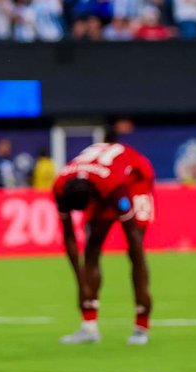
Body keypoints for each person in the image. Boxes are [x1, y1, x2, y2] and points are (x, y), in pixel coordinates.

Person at [53, 140, 155, 346]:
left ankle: (141, 325)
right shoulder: (60, 186)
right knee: (92, 248)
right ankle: (89, 327)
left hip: (136, 179)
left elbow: (133, 238)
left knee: (134, 251)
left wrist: (138, 256)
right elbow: (69, 236)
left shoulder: (114, 188)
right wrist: (81, 284)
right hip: (98, 180)